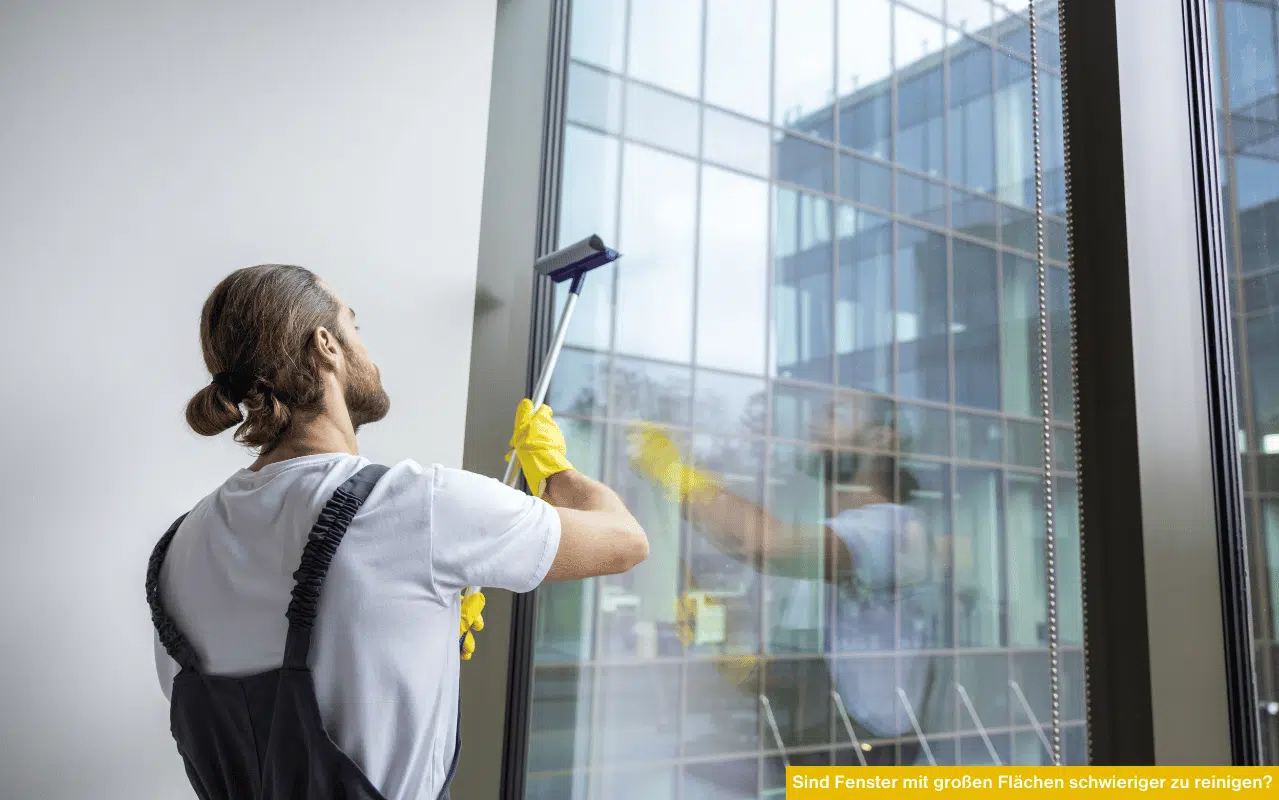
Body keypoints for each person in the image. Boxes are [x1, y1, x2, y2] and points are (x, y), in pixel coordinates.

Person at [147, 263, 649, 800]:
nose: (366, 348)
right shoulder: (417, 506)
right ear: (326, 346)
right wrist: (553, 468)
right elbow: (625, 540)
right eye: (354, 326)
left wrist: (407, 644)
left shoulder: (178, 546)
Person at [629, 407, 949, 768]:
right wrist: (729, 649)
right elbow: (803, 673)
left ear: (881, 440)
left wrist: (677, 476)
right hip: (827, 744)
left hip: (868, 753)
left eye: (834, 414)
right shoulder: (836, 540)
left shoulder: (893, 531)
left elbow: (770, 546)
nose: (812, 422)